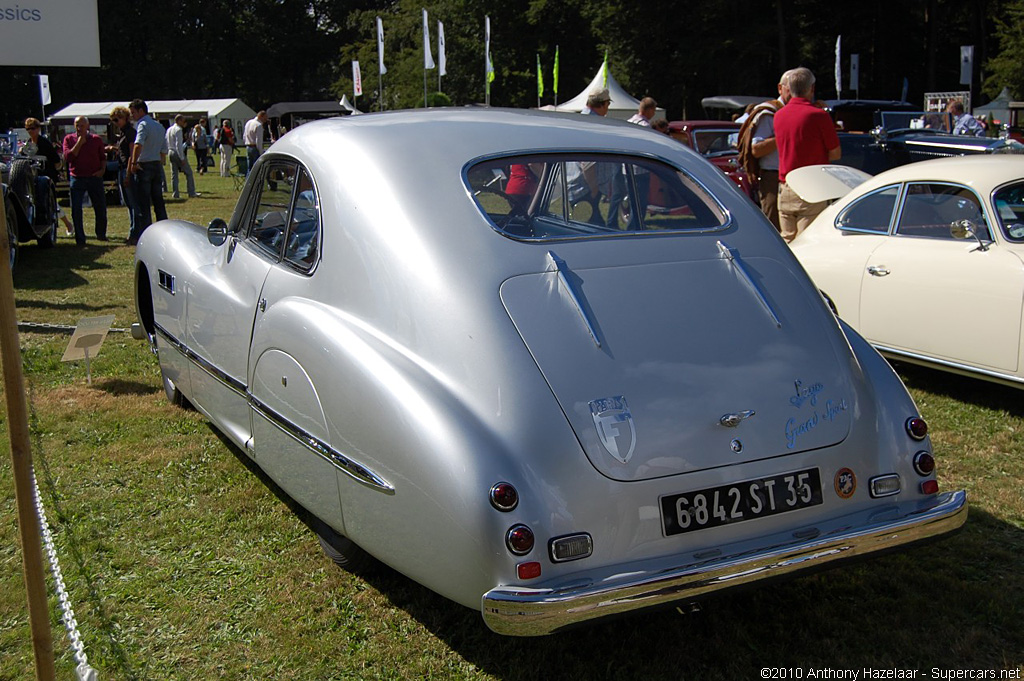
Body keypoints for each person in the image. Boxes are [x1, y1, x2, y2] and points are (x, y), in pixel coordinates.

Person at [774, 67, 841, 243]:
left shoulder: (779, 115)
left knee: (787, 240)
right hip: (812, 185)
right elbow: (835, 153)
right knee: (808, 242)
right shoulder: (818, 115)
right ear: (811, 88)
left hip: (786, 186)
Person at [737, 70, 794, 231]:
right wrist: (784, 135)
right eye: (791, 88)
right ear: (780, 88)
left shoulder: (801, 113)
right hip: (772, 178)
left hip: (797, 177)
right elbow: (756, 149)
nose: (795, 93)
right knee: (774, 227)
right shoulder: (769, 113)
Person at [126, 99, 168, 245]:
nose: (132, 116)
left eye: (133, 112)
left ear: (141, 111)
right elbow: (164, 149)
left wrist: (133, 162)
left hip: (144, 165)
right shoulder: (159, 126)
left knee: (144, 204)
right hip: (156, 164)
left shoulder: (143, 124)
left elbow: (138, 145)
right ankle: (165, 232)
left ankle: (147, 235)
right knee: (158, 201)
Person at [23, 117, 73, 236]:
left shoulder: (44, 143)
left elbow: (56, 160)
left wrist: (55, 173)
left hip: (46, 177)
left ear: (38, 129)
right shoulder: (28, 143)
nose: (30, 131)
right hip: (32, 177)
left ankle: (67, 224)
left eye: (33, 128)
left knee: (49, 202)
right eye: (28, 129)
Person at [62, 116, 108, 245]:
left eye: (82, 125)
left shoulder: (96, 139)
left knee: (100, 207)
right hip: (77, 178)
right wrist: (79, 143)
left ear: (87, 126)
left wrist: (102, 170)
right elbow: (68, 157)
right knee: (76, 209)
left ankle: (101, 234)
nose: (79, 128)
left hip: (94, 177)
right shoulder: (69, 139)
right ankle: (80, 238)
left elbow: (102, 157)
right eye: (77, 125)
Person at [105, 106, 138, 242]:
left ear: (125, 118)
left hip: (127, 169)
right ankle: (133, 231)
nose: (115, 122)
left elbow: (132, 154)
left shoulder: (130, 133)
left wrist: (128, 174)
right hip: (121, 168)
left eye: (117, 119)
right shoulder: (123, 133)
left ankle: (135, 232)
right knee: (128, 203)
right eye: (113, 120)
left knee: (133, 203)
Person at [166, 114, 198, 199]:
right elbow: (178, 145)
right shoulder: (178, 130)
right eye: (183, 121)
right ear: (179, 121)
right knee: (189, 173)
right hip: (177, 152)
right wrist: (182, 158)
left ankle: (175, 193)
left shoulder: (169, 129)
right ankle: (191, 192)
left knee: (174, 174)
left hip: (170, 151)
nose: (184, 123)